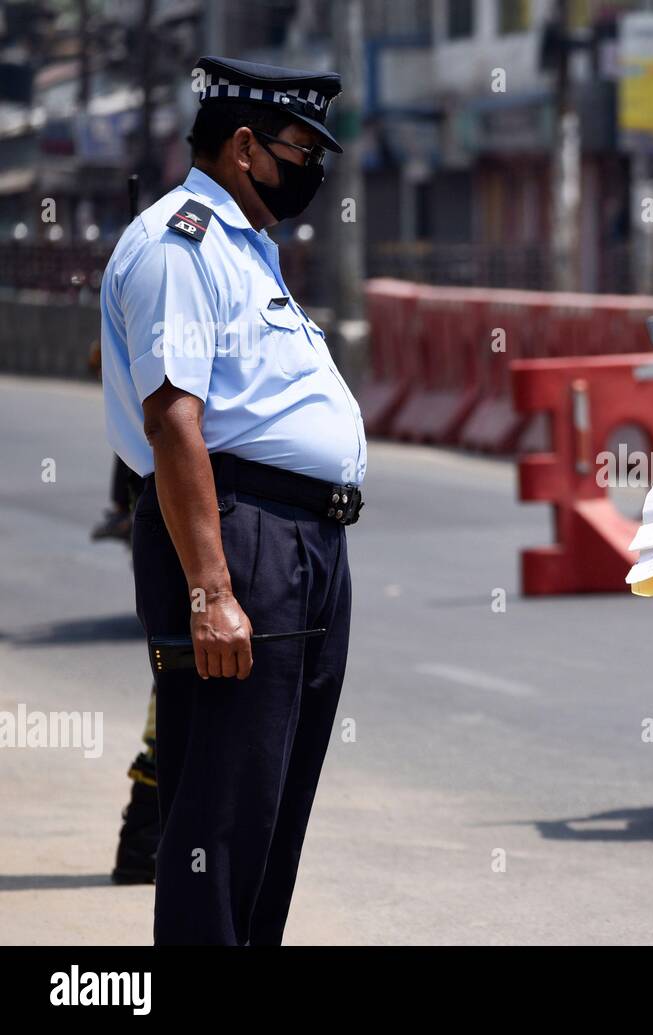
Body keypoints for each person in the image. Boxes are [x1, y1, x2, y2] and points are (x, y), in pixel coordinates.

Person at [99, 56, 367, 945]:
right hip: (244, 539)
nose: (312, 171)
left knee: (273, 809)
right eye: (300, 149)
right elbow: (176, 421)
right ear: (245, 146)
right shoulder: (181, 243)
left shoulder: (249, 248)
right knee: (221, 814)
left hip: (305, 546)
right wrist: (212, 589)